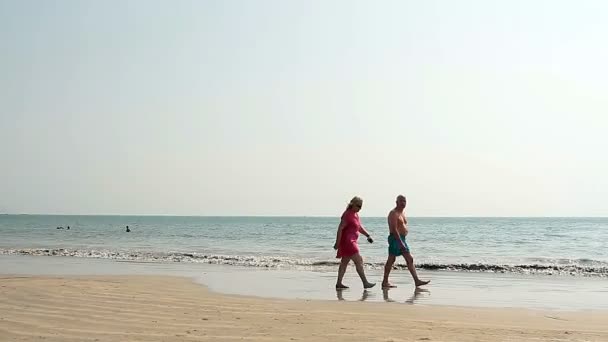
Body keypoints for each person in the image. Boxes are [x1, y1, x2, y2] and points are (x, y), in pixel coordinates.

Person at [382, 195, 430, 288]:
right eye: (401, 201)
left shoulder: (402, 213)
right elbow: (394, 229)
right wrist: (400, 243)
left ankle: (416, 281)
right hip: (395, 239)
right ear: (397, 202)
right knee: (392, 260)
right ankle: (385, 282)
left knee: (406, 259)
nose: (403, 203)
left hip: (402, 239)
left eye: (405, 201)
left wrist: (403, 240)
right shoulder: (393, 213)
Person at [333, 196, 375, 289]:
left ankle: (339, 283)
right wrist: (337, 242)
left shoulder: (355, 215)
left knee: (344, 262)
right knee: (358, 260)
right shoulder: (347, 214)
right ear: (352, 204)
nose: (360, 208)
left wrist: (368, 235)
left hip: (352, 241)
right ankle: (365, 283)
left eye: (361, 206)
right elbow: (340, 228)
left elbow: (359, 227)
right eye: (358, 206)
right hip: (348, 242)